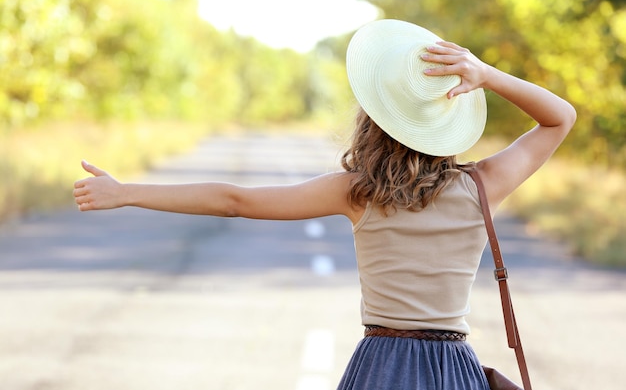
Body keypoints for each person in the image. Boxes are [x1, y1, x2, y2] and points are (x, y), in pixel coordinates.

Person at [73, 19, 576, 389]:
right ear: (450, 121)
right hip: (454, 370)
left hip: (382, 365)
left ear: (375, 121)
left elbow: (234, 201)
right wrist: (487, 74)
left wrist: (126, 193)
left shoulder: (357, 192)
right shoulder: (483, 186)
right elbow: (560, 119)